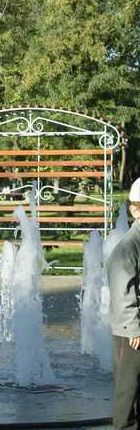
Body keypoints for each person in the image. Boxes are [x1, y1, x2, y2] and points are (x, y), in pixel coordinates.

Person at [108, 176, 140, 430]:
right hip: (131, 335)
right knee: (127, 396)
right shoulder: (129, 246)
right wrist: (133, 328)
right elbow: (122, 291)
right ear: (134, 209)